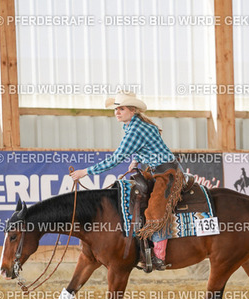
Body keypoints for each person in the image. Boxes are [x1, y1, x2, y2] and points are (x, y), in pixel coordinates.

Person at [70, 92, 184, 271]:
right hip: (155, 169)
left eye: (121, 109)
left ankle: (159, 257)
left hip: (167, 172)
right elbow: (148, 145)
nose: (117, 112)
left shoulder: (135, 130)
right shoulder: (134, 126)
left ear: (132, 110)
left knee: (156, 210)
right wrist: (136, 160)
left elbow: (115, 159)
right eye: (116, 109)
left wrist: (85, 172)